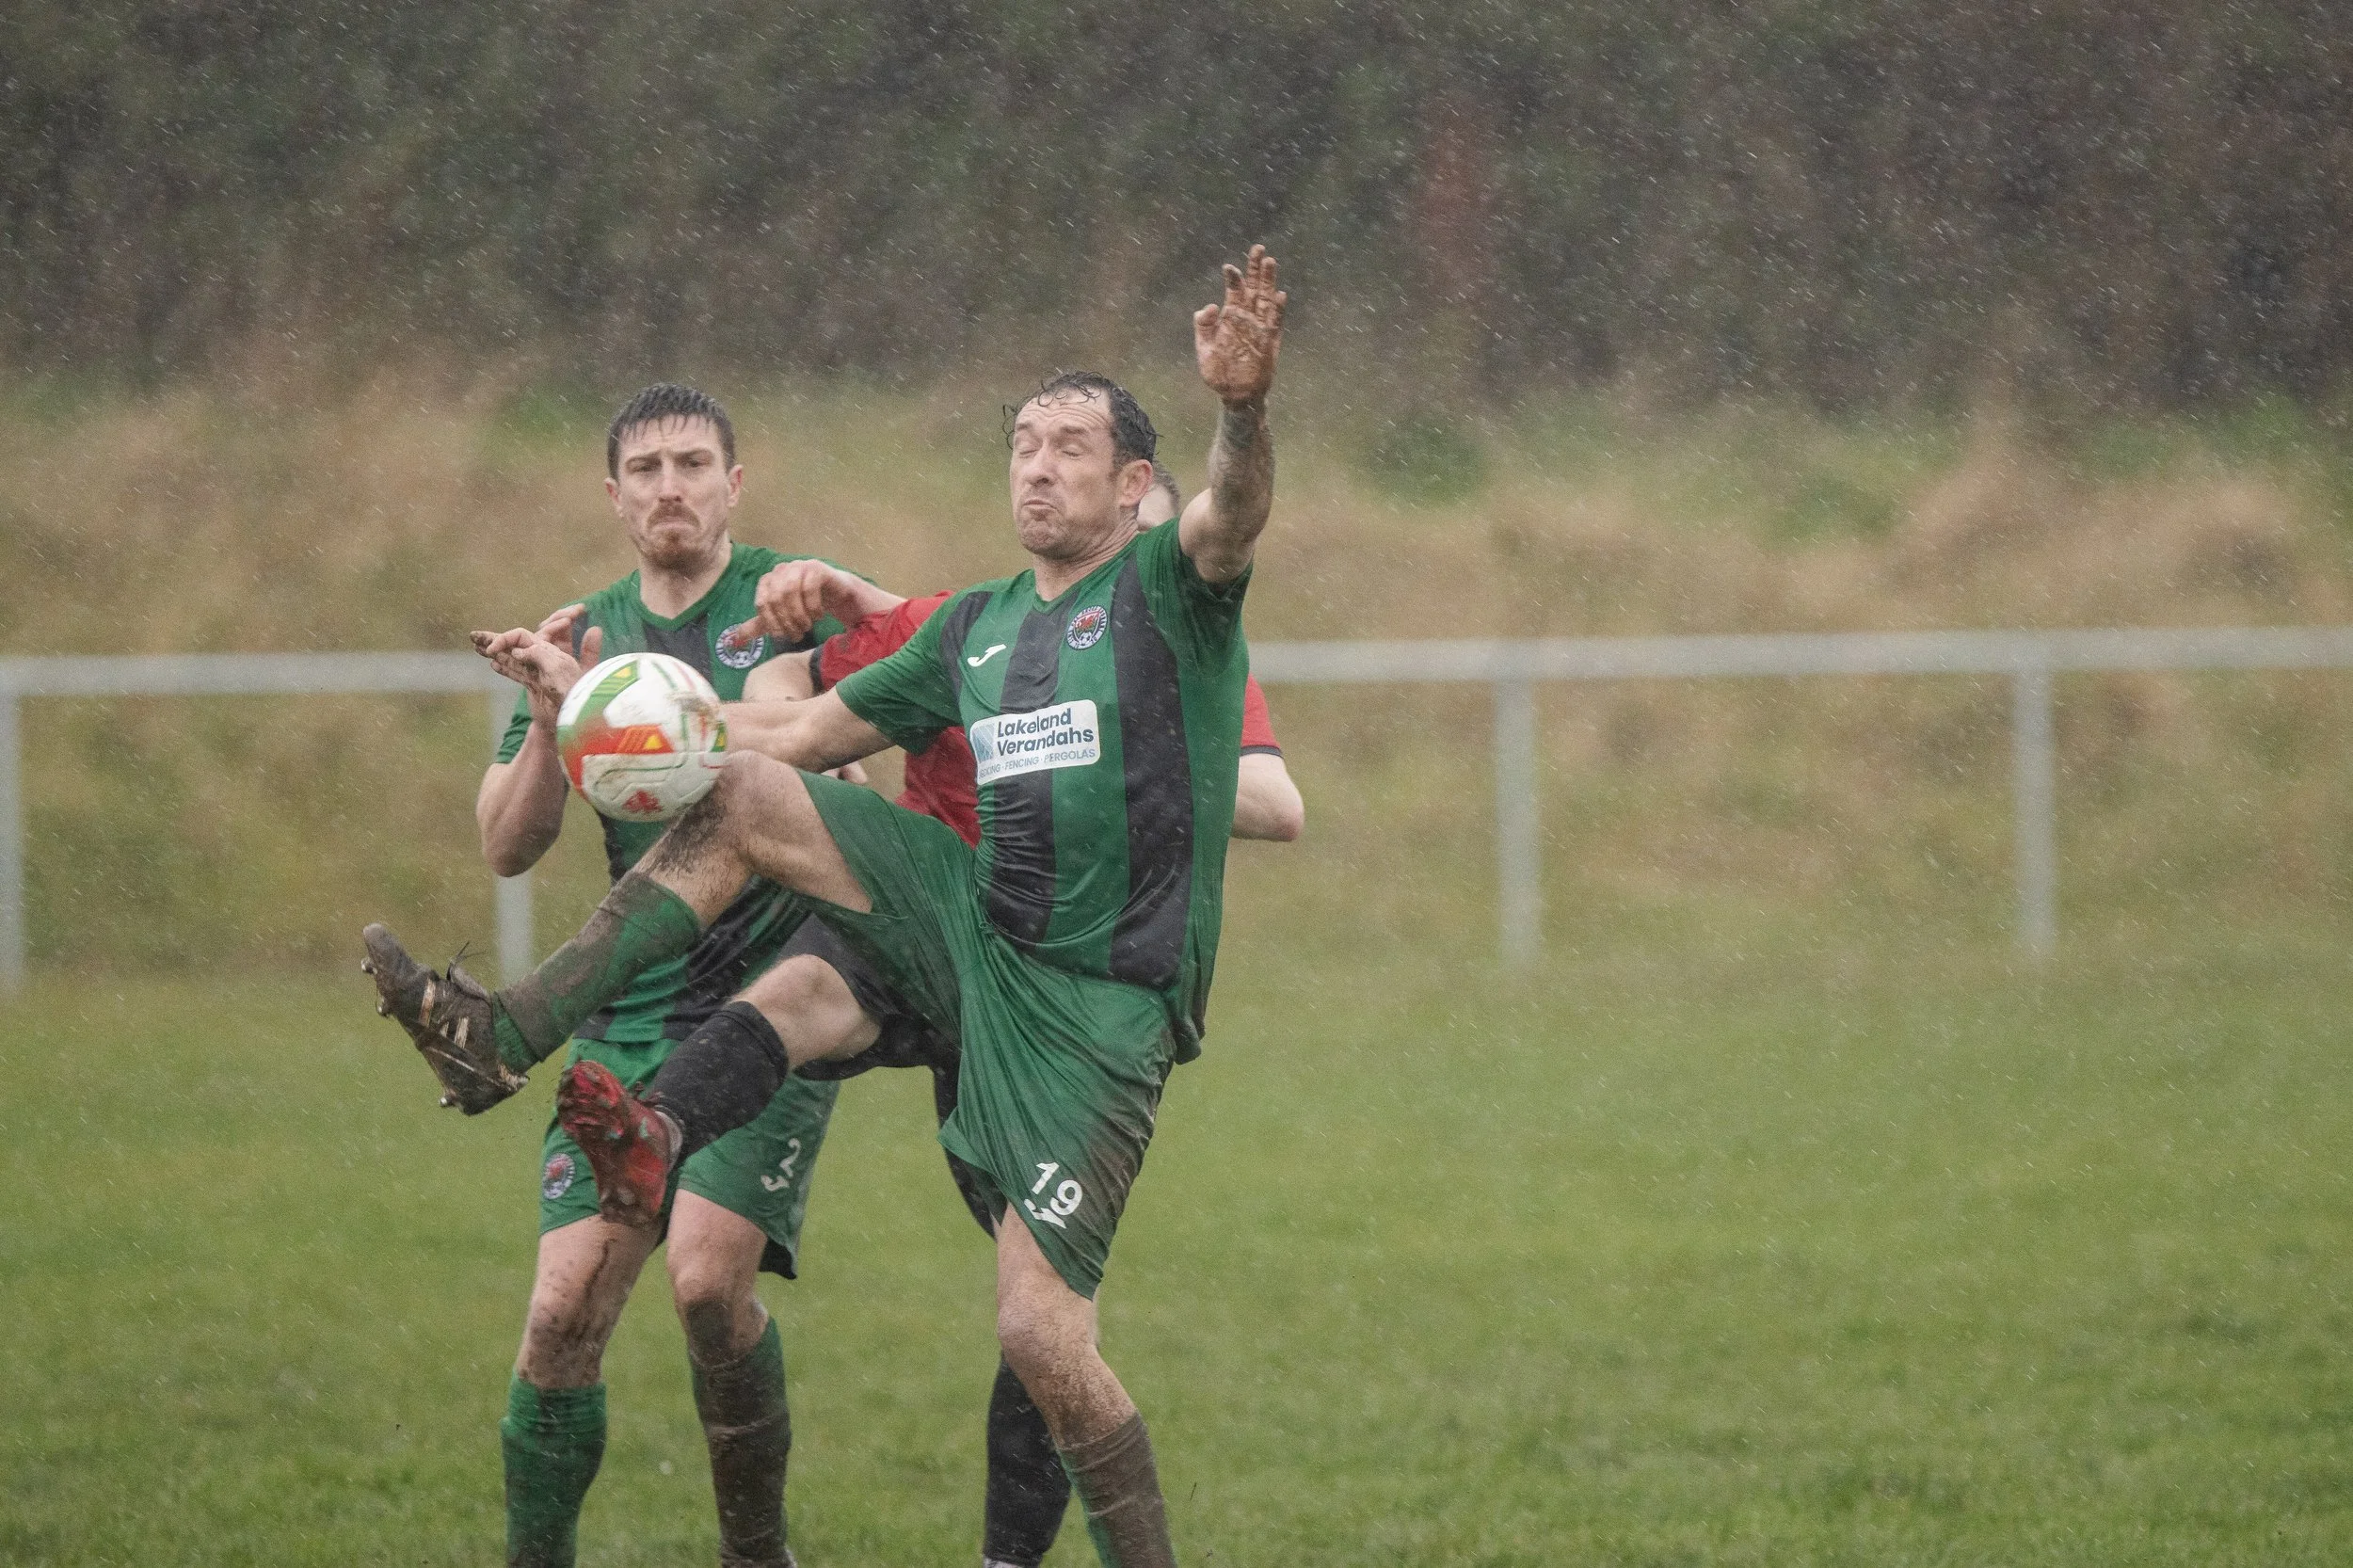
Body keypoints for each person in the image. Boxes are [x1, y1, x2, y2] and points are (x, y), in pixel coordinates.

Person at [375, 246, 1287, 1567]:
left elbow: (1233, 515)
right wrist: (589, 702)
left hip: (1098, 1004)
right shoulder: (970, 628)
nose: (1037, 464)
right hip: (970, 926)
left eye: (1072, 447)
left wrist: (1243, 412)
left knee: (1041, 1337)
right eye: (1022, 443)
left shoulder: (1168, 593)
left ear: (1133, 483)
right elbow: (793, 727)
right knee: (745, 790)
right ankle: (504, 1033)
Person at [364, 382, 886, 1568]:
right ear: (612, 497)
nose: (669, 487)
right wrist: (557, 711)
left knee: (705, 1287)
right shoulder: (586, 634)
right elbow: (505, 843)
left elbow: (862, 798)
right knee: (558, 1320)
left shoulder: (787, 612)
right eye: (644, 469)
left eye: (692, 463)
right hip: (625, 1015)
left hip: (769, 1010)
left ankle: (758, 1554)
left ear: (734, 484)